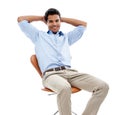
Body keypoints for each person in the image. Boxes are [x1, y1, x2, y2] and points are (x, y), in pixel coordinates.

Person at [17, 8, 109, 115]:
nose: (54, 24)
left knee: (103, 87)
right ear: (46, 22)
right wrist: (41, 18)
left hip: (70, 73)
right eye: (50, 21)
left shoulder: (66, 38)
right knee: (65, 87)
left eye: (57, 21)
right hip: (51, 75)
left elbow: (83, 25)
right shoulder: (38, 36)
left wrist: (62, 19)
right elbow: (21, 19)